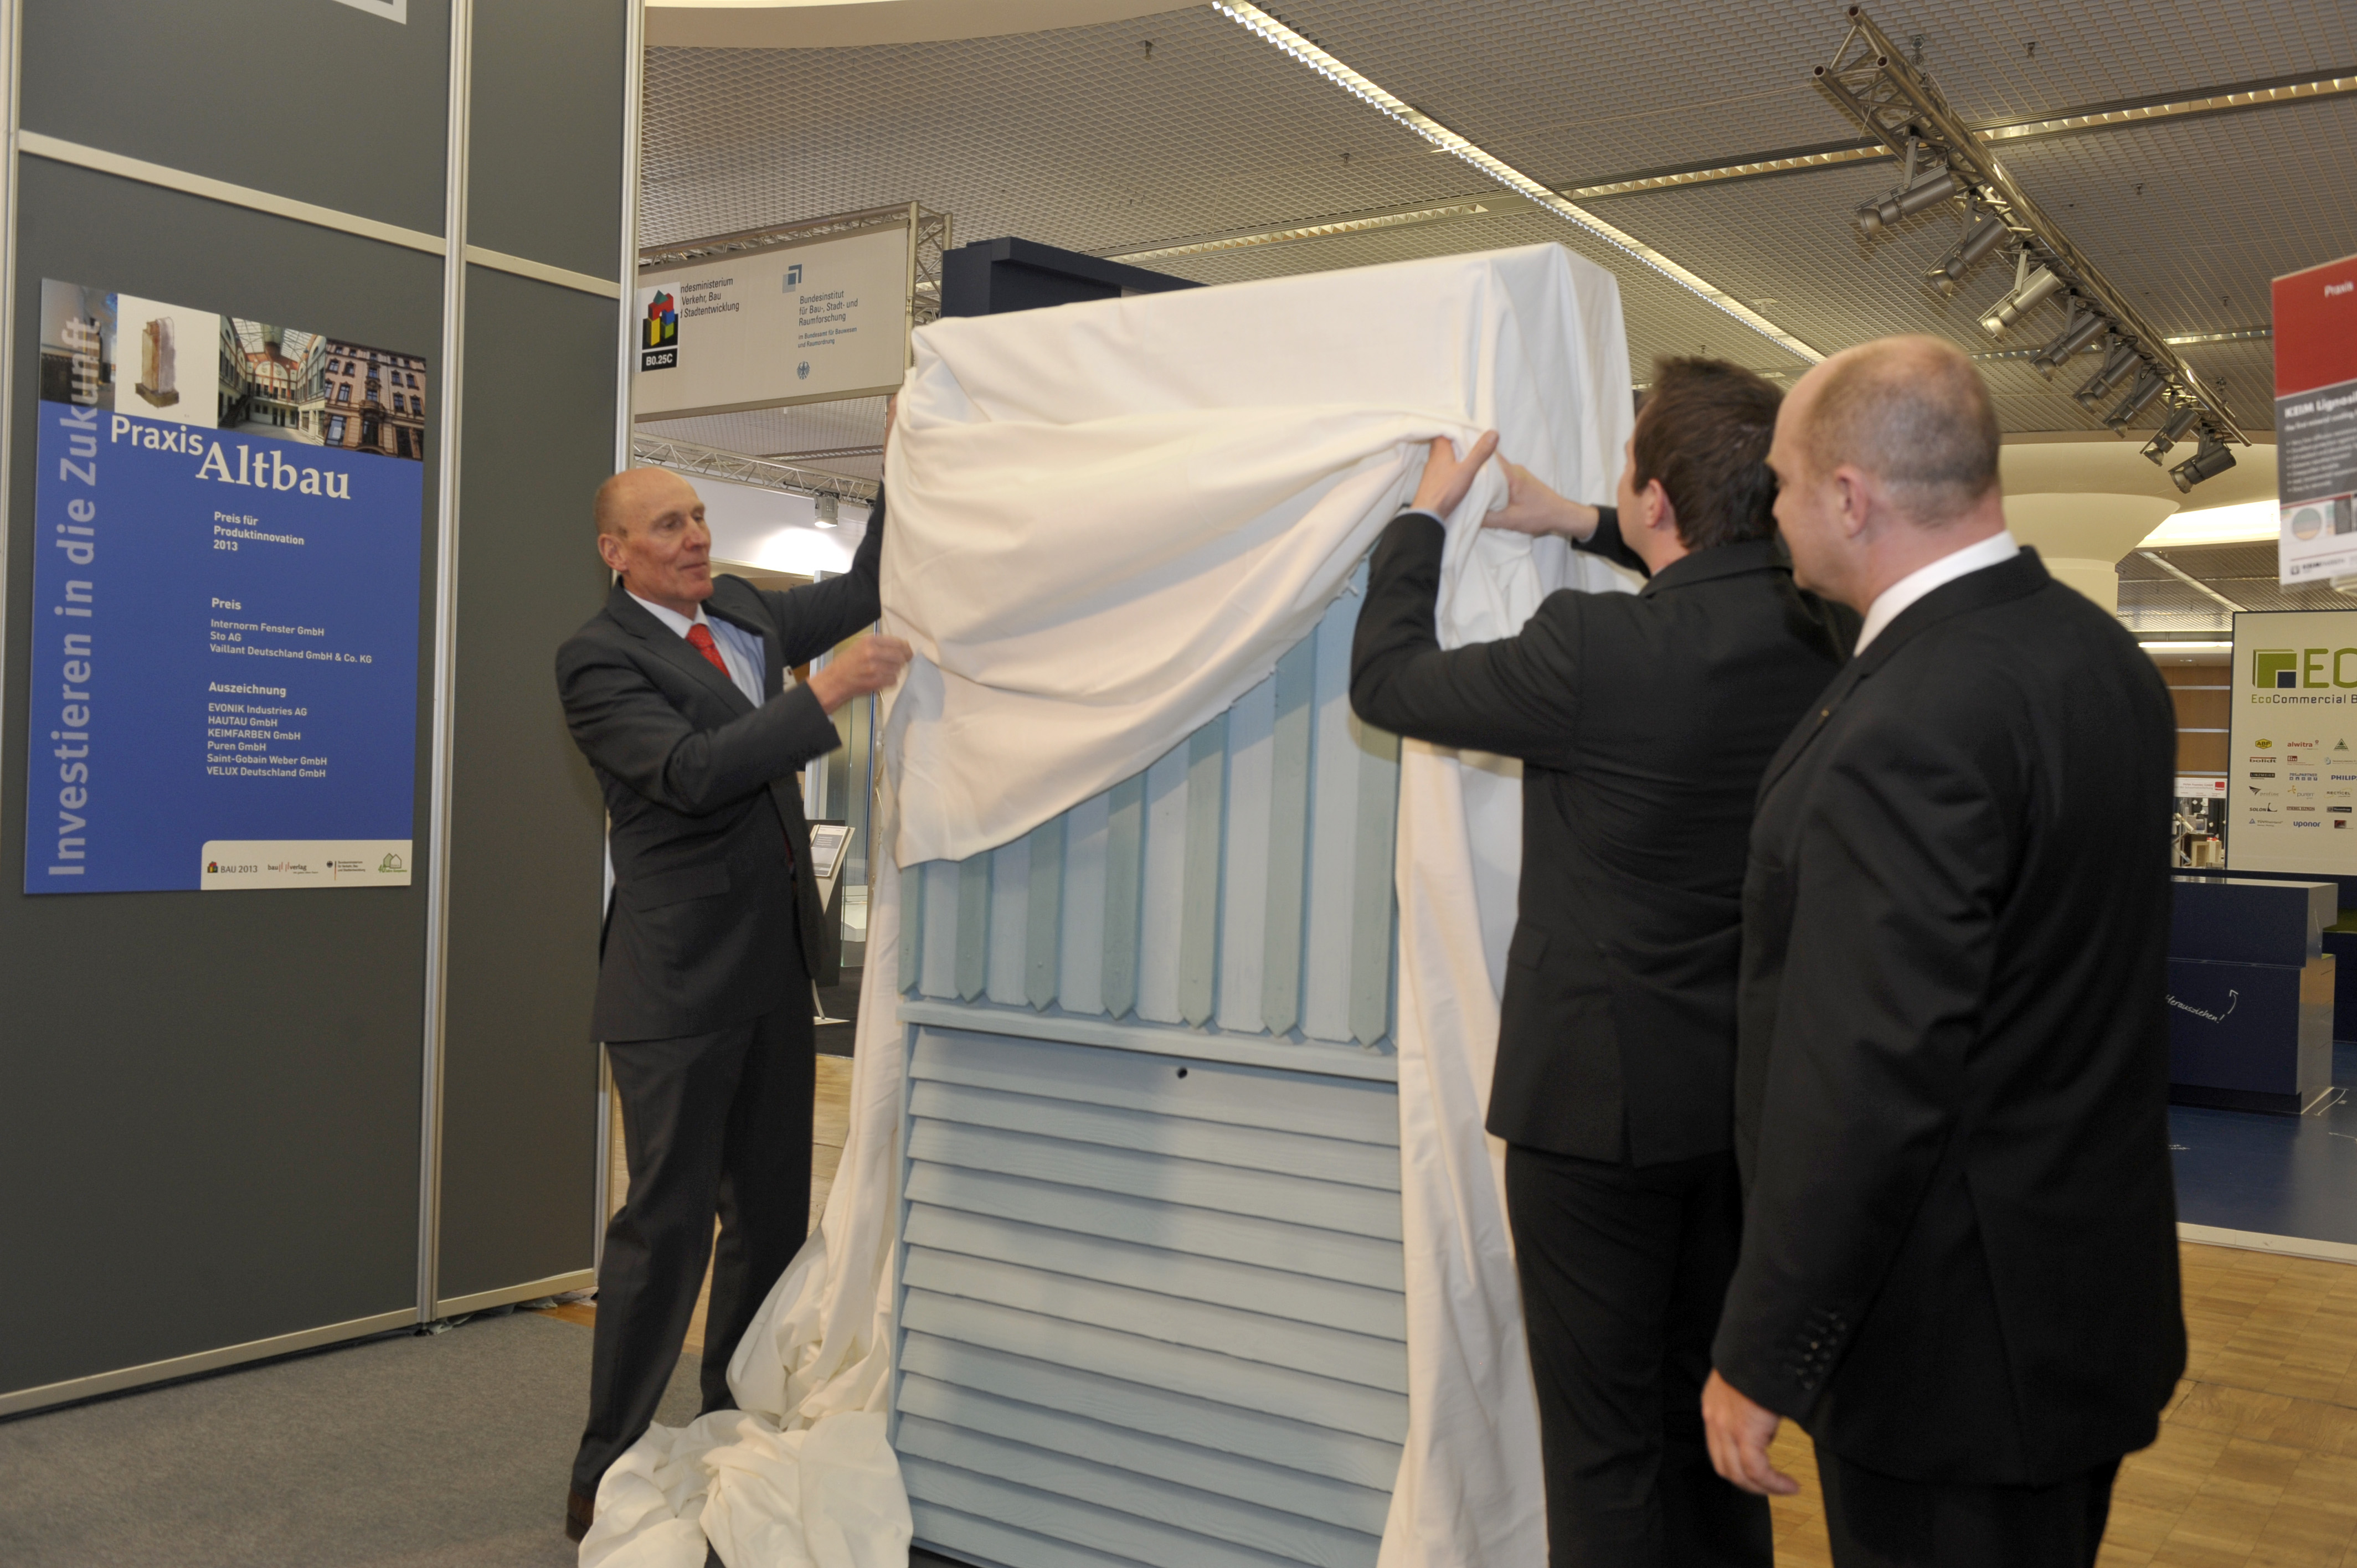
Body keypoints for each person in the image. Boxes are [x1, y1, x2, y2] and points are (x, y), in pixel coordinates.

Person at [1351, 359, 1854, 1566]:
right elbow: (1716, 575)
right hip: (1745, 1111)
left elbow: (1389, 682)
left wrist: (1420, 522)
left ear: (1657, 500)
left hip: (1593, 1121)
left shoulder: (1591, 647)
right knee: (1713, 1424)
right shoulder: (1830, 635)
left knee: (1602, 1453)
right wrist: (1579, 519)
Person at [1701, 336, 2185, 1566]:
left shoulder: (1910, 719)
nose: (1773, 512)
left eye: (1782, 484)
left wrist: (1763, 1351)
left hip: (1949, 1355)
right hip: (2079, 1310)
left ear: (1849, 497)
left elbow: (1865, 1078)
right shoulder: (2104, 662)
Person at [554, 463, 911, 1541]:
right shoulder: (598, 658)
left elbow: (869, 586)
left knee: (769, 1221)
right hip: (675, 984)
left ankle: (734, 1425)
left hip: (771, 972)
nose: (697, 537)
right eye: (669, 525)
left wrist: (902, 458)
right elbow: (692, 772)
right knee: (664, 1233)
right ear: (617, 551)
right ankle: (604, 1465)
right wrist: (827, 696)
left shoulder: (746, 611)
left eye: (701, 517)